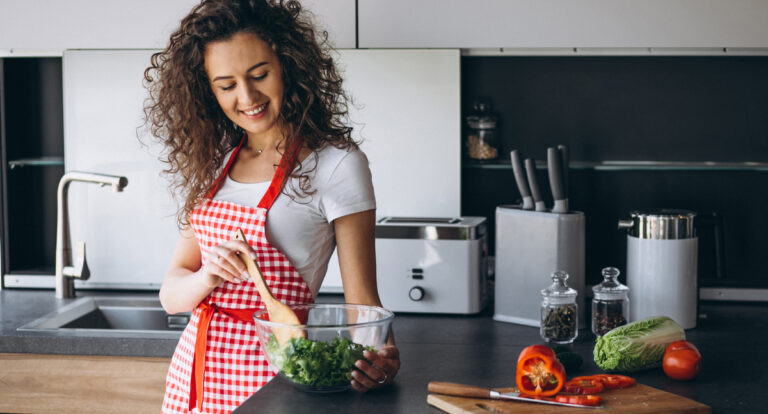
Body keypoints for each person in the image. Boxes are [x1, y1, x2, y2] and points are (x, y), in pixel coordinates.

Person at [143, 0, 400, 412]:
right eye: (226, 85)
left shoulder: (336, 165)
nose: (247, 97)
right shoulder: (213, 160)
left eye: (259, 74)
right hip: (195, 375)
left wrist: (380, 362)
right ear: (206, 90)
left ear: (287, 65)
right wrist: (207, 277)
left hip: (279, 378)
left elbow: (365, 309)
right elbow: (172, 295)